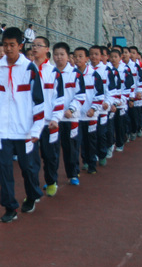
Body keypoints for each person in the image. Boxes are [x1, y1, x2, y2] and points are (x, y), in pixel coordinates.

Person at [0, 27, 45, 223]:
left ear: (20, 45)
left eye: (12, 45)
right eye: (5, 45)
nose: (8, 49)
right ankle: (9, 206)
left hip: (24, 129)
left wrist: (36, 129)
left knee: (28, 168)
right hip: (2, 129)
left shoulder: (29, 68)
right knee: (5, 170)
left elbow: (38, 101)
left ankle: (33, 194)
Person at [30, 37, 64, 197]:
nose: (35, 48)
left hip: (49, 122)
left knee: (50, 156)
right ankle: (33, 190)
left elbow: (59, 99)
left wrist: (56, 118)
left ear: (47, 49)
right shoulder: (27, 70)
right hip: (31, 123)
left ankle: (51, 181)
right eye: (33, 45)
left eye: (39, 45)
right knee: (31, 159)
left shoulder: (54, 72)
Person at [52, 42, 86, 187]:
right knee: (52, 150)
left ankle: (73, 174)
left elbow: (80, 96)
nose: (59, 57)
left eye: (62, 54)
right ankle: (51, 179)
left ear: (68, 56)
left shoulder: (75, 74)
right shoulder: (50, 73)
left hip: (70, 118)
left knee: (70, 148)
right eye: (56, 54)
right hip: (54, 119)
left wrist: (71, 109)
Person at [73, 46, 105, 176]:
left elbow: (100, 94)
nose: (77, 59)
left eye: (80, 56)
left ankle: (92, 164)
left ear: (86, 58)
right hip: (75, 115)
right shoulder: (72, 74)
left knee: (90, 140)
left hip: (90, 115)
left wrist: (93, 108)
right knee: (77, 141)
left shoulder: (94, 75)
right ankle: (83, 162)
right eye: (75, 56)